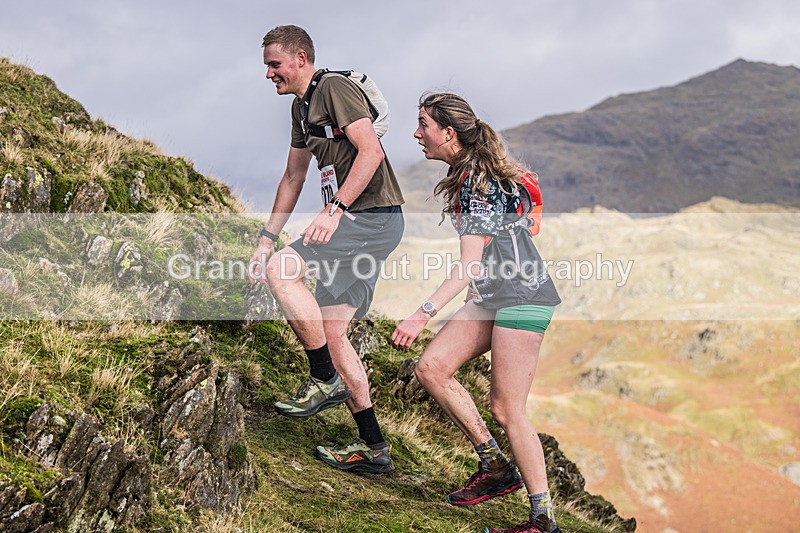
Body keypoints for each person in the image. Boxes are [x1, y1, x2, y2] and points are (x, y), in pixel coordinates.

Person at [391, 93, 562, 533]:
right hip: (493, 295)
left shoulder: (478, 183)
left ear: (449, 133)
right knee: (432, 367)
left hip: (522, 296)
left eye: (423, 124)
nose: (416, 133)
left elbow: (468, 265)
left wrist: (420, 314)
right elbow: (531, 214)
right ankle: (494, 466)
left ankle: (543, 519)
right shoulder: (471, 175)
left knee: (507, 409)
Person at [248, 25, 404, 473]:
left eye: (274, 65)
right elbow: (293, 177)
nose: (269, 74)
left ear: (300, 58)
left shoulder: (332, 88)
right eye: (266, 67)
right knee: (333, 333)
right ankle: (374, 448)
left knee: (283, 271)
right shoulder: (300, 109)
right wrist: (265, 238)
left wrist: (335, 209)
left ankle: (322, 379)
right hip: (363, 220)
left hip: (369, 217)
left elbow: (370, 151)